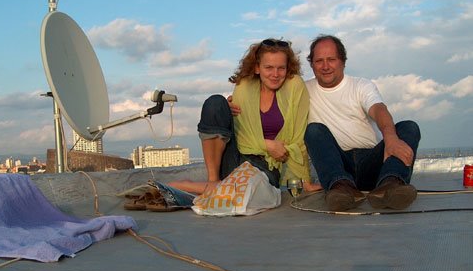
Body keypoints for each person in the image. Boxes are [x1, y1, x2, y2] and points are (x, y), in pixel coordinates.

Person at [170, 38, 317, 195]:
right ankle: (213, 181)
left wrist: (304, 181)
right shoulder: (244, 86)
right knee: (216, 103)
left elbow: (298, 138)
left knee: (250, 192)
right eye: (269, 67)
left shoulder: (295, 86)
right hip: (236, 156)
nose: (275, 74)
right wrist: (266, 144)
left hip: (266, 165)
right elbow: (240, 136)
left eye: (281, 68)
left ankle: (186, 187)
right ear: (257, 68)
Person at [304, 34, 421, 211]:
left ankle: (390, 186)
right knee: (313, 130)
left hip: (371, 162)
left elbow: (378, 109)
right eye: (319, 61)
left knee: (409, 127)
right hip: (339, 165)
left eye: (331, 59)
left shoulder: (361, 85)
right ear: (311, 64)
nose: (325, 66)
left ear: (343, 61)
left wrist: (390, 138)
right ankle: (341, 189)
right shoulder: (303, 91)